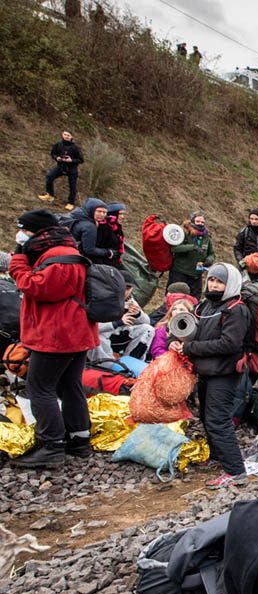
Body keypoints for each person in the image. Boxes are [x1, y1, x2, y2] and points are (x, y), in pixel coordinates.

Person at [8, 209, 98, 468]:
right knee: (69, 385)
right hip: (71, 332)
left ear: (36, 232)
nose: (21, 235)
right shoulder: (61, 251)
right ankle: (78, 439)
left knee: (40, 387)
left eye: (24, 230)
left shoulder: (59, 256)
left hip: (59, 334)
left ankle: (51, 445)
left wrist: (18, 264)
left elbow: (39, 287)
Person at [173, 262, 250, 489]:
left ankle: (235, 470)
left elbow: (229, 344)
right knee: (208, 418)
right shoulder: (206, 306)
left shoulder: (236, 309)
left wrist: (190, 349)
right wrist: (178, 343)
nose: (214, 284)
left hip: (225, 373)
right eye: (212, 280)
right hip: (207, 370)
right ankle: (219, 457)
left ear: (230, 285)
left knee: (218, 420)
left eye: (219, 281)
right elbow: (191, 331)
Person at [90, 275, 154, 364]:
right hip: (101, 335)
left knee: (148, 329)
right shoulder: (102, 298)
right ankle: (104, 366)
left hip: (119, 334)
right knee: (99, 336)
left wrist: (138, 314)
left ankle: (130, 363)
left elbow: (147, 322)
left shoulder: (130, 300)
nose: (125, 292)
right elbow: (93, 327)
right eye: (122, 287)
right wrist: (117, 322)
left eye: (128, 288)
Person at [168, 212, 215, 297]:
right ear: (192, 221)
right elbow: (174, 248)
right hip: (180, 272)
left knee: (195, 300)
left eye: (202, 222)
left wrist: (207, 262)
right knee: (174, 297)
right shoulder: (183, 233)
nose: (200, 224)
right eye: (198, 221)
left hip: (196, 275)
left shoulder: (206, 237)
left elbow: (211, 254)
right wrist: (192, 247)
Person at [38, 130, 84, 210]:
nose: (66, 136)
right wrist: (57, 158)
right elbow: (53, 154)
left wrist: (71, 160)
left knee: (72, 186)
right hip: (61, 166)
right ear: (62, 135)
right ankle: (50, 195)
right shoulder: (58, 144)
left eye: (68, 135)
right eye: (65, 134)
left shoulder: (75, 147)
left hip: (71, 168)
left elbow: (81, 160)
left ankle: (71, 203)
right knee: (49, 177)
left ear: (71, 137)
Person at [150, 291, 197, 359]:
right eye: (174, 309)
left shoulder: (194, 329)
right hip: (164, 362)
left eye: (181, 309)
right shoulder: (162, 328)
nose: (177, 312)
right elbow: (157, 349)